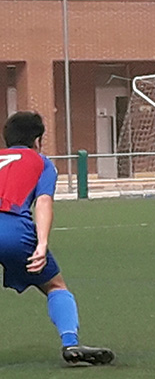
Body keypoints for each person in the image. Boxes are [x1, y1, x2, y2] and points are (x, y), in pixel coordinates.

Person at [0, 111, 115, 365]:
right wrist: (41, 243)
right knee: (55, 286)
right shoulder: (42, 163)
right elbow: (42, 202)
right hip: (13, 231)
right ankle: (71, 343)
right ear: (38, 140)